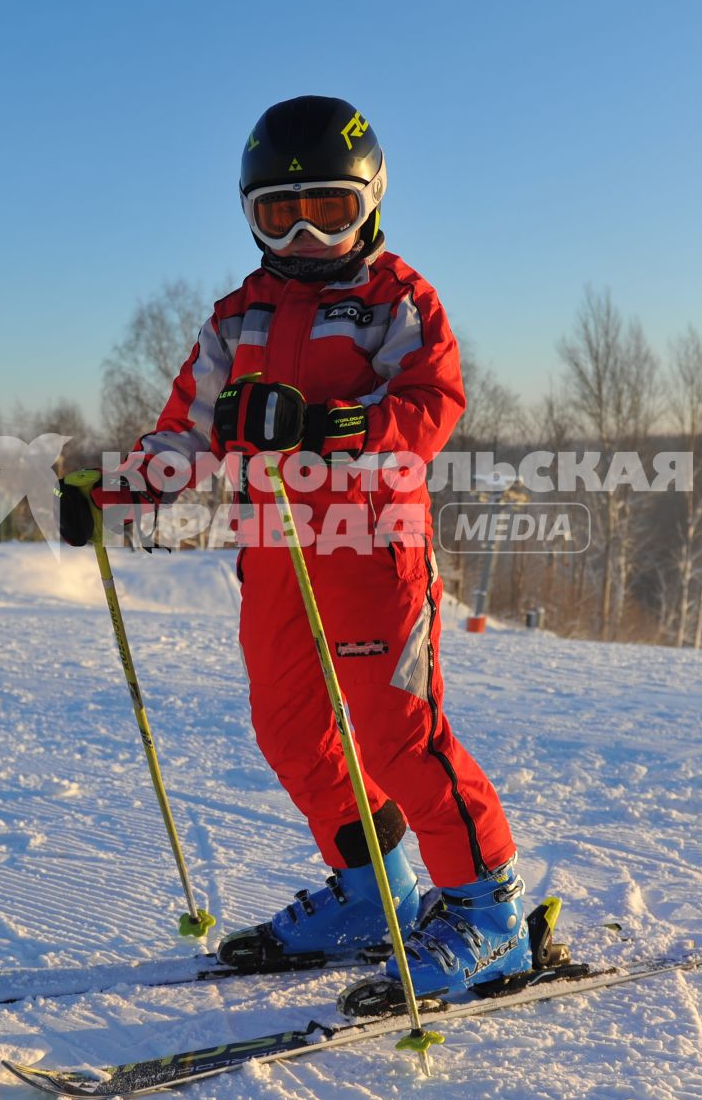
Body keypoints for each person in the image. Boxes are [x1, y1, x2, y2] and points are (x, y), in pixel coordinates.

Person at [60, 95, 528, 1002]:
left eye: (331, 209)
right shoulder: (236, 319)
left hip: (372, 548)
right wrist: (110, 488)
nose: (308, 233)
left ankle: (486, 915)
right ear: (252, 217)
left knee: (398, 737)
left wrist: (322, 423)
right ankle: (373, 894)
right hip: (274, 552)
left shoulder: (397, 300)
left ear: (373, 201)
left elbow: (429, 410)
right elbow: (185, 434)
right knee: (290, 733)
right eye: (283, 214)